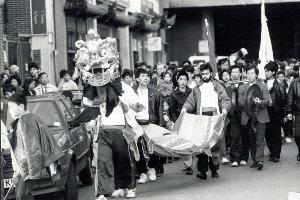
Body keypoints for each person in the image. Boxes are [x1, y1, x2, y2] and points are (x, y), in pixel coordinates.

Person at [6, 93, 64, 200]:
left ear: (21, 106)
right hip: (26, 167)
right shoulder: (31, 118)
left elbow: (32, 148)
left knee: (21, 196)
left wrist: (29, 173)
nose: (10, 111)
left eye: (12, 107)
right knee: (24, 195)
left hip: (27, 168)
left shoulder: (25, 121)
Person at [182, 63, 231, 180]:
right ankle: (203, 172)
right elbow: (190, 102)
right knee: (202, 146)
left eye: (206, 73)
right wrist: (185, 108)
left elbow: (225, 99)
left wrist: (224, 109)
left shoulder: (218, 86)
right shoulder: (197, 88)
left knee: (215, 146)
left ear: (211, 74)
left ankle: (214, 170)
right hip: (202, 119)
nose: (204, 76)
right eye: (202, 74)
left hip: (215, 118)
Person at [133, 68, 165, 183]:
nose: (146, 78)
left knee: (151, 148)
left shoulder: (154, 91)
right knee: (138, 149)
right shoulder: (132, 91)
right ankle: (142, 173)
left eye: (147, 76)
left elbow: (159, 110)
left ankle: (152, 169)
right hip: (136, 124)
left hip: (150, 123)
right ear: (137, 78)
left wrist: (160, 125)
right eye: (142, 76)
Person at [238, 65, 270, 170]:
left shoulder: (263, 86)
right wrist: (250, 102)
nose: (250, 75)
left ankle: (260, 160)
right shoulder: (242, 87)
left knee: (260, 139)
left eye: (252, 73)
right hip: (248, 116)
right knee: (251, 139)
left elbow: (267, 101)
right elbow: (240, 102)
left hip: (261, 115)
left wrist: (260, 102)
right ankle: (255, 159)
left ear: (256, 74)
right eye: (248, 73)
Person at [264, 61, 287, 162]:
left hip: (275, 111)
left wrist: (284, 114)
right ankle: (272, 152)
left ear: (273, 72)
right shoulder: (263, 83)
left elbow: (283, 100)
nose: (265, 73)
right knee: (267, 133)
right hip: (265, 110)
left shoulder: (279, 85)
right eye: (265, 71)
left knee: (276, 133)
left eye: (267, 71)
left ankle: (276, 154)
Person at [225, 65, 244, 167]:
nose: (235, 74)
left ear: (240, 73)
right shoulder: (227, 87)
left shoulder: (245, 85)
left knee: (244, 136)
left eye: (237, 72)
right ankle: (234, 158)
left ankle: (243, 157)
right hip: (232, 115)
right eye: (233, 72)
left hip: (244, 114)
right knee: (234, 136)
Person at [286, 71, 300, 161]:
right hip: (298, 111)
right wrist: (289, 111)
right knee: (297, 135)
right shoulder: (295, 83)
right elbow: (290, 97)